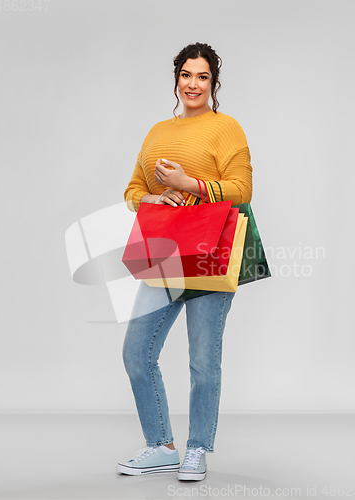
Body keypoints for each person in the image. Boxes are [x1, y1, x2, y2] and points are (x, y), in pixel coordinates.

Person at [117, 42, 252, 481]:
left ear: (213, 83)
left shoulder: (226, 127)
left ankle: (196, 448)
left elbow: (242, 189)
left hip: (212, 249)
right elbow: (132, 191)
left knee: (202, 360)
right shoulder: (157, 131)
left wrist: (187, 181)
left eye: (203, 77)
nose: (193, 84)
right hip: (165, 250)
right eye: (186, 75)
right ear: (176, 78)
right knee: (137, 352)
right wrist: (157, 193)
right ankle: (161, 445)